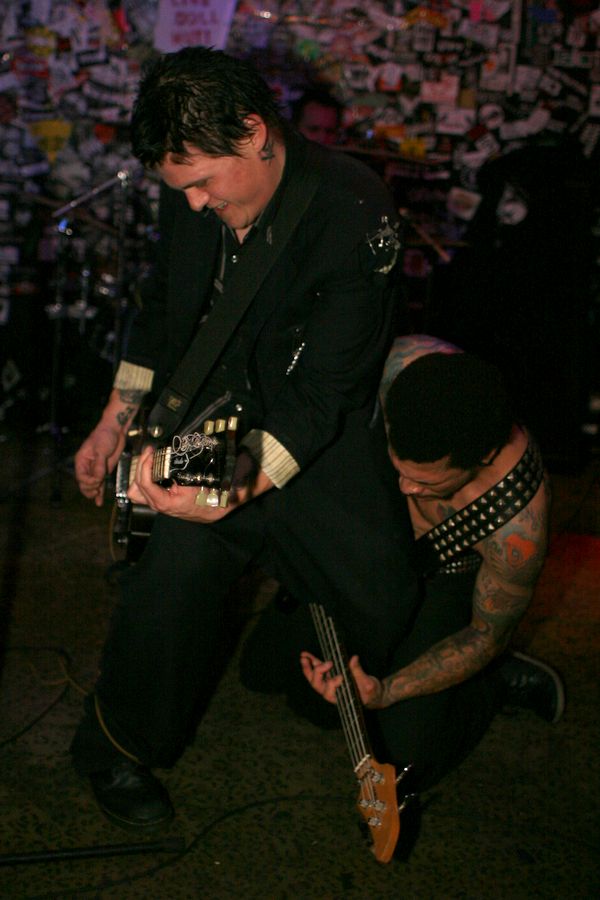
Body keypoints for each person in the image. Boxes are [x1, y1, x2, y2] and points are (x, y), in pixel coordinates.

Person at [70, 46, 419, 831]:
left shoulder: (353, 210)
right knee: (171, 580)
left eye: (202, 182)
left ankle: (285, 657)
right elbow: (164, 307)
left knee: (384, 595)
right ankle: (117, 748)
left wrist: (244, 484)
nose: (193, 204)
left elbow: (326, 393)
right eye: (180, 188)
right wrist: (116, 418)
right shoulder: (189, 191)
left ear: (255, 133)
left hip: (314, 435)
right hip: (213, 424)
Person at [300, 334, 564, 794]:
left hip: (446, 575)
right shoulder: (405, 364)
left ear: (482, 457)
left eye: (426, 482)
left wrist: (386, 691)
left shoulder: (517, 526)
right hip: (380, 542)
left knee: (405, 751)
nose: (407, 488)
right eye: (401, 468)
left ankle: (493, 685)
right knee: (293, 691)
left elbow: (484, 635)